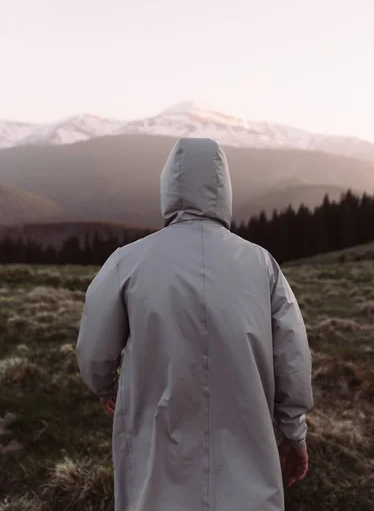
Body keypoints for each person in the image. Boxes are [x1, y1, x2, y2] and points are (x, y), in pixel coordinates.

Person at [76, 137, 314, 511]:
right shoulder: (261, 264)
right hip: (247, 448)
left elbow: (93, 350)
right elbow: (293, 360)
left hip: (158, 446)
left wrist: (106, 386)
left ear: (168, 187)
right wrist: (293, 432)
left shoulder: (127, 261)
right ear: (225, 189)